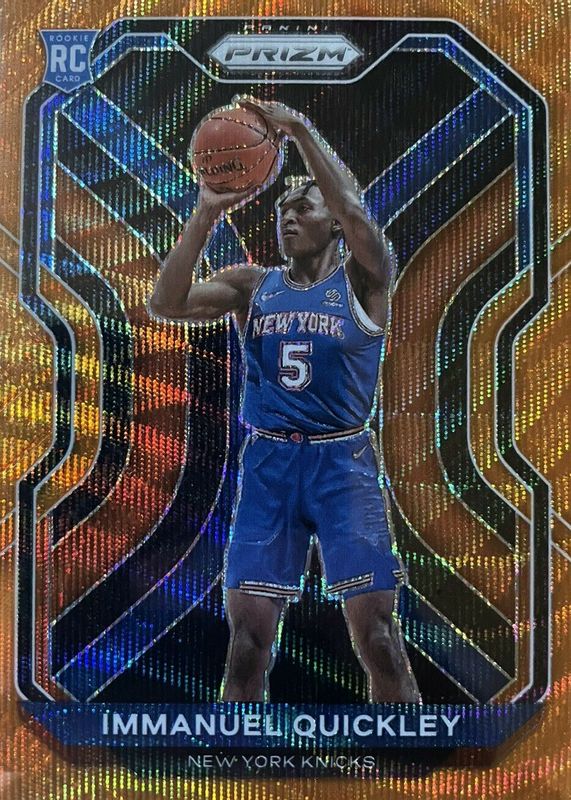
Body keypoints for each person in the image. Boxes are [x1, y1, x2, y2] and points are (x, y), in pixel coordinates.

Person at [149, 97, 420, 703]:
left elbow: (354, 209)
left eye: (303, 207)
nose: (288, 217)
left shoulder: (365, 280)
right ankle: (239, 756)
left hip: (343, 464)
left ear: (333, 223)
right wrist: (205, 212)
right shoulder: (253, 286)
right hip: (269, 465)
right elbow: (166, 303)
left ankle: (404, 754)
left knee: (379, 638)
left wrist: (298, 130)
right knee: (246, 645)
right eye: (281, 210)